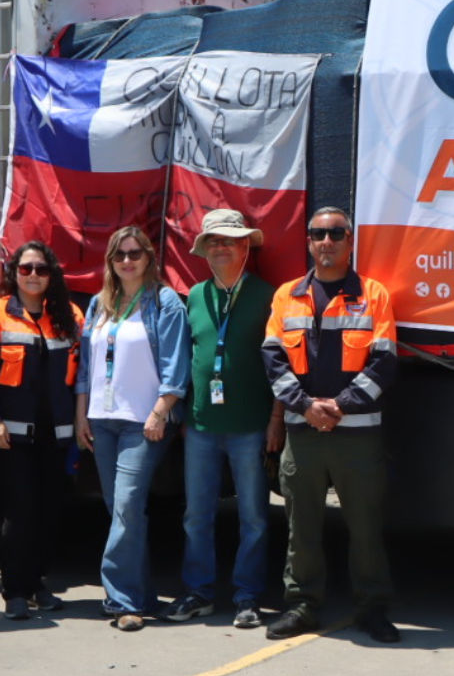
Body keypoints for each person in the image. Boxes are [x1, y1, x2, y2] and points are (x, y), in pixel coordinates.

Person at [260, 207, 401, 643]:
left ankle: (372, 609)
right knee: (301, 529)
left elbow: (384, 361)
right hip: (304, 435)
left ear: (350, 241)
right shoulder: (287, 295)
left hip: (357, 437)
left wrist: (337, 406)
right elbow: (272, 357)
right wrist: (305, 406)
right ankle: (302, 606)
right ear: (308, 241)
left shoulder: (373, 295)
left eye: (336, 234)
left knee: (365, 528)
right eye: (318, 233)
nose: (327, 241)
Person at [169, 209, 283, 630]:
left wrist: (276, 418)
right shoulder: (195, 296)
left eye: (229, 240)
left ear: (246, 246)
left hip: (250, 424)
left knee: (253, 516)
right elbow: (187, 357)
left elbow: (280, 363)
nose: (220, 246)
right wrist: (184, 413)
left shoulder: (268, 296)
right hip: (200, 426)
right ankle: (198, 592)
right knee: (196, 515)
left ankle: (247, 596)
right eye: (213, 241)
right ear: (204, 250)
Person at [74, 225, 188, 631]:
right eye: (119, 255)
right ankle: (140, 598)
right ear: (110, 261)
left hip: (144, 422)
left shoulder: (164, 302)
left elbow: (177, 365)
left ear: (149, 257)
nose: (127, 261)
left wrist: (161, 411)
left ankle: (120, 600)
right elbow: (87, 368)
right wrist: (81, 414)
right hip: (102, 421)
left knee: (125, 506)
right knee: (123, 512)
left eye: (134, 253)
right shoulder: (99, 304)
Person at [0, 241, 84, 621]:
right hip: (11, 437)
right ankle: (15, 591)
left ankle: (37, 584)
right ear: (13, 272)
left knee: (49, 513)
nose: (33, 275)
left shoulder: (70, 316)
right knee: (18, 515)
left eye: (41, 269)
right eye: (26, 268)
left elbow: (82, 375)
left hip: (59, 437)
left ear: (52, 274)